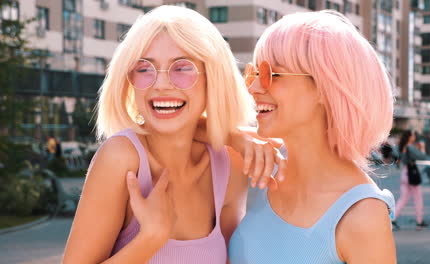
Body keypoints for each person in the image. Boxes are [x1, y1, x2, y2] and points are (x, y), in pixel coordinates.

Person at [63, 6, 284, 264]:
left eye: (182, 68)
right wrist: (150, 239)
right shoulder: (120, 159)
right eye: (144, 69)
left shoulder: (228, 163)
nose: (161, 84)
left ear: (212, 77)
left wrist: (230, 135)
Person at [229, 10, 396, 264]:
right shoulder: (265, 156)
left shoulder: (363, 215)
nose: (253, 87)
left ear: (324, 87)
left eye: (271, 75)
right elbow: (188, 128)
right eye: (253, 73)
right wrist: (234, 138)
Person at [392, 130, 429, 231]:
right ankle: (419, 221)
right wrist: (422, 148)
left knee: (403, 199)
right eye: (413, 135)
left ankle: (391, 218)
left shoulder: (400, 147)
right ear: (409, 137)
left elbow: (395, 154)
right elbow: (423, 156)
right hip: (412, 174)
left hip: (404, 173)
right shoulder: (410, 147)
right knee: (418, 199)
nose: (414, 136)